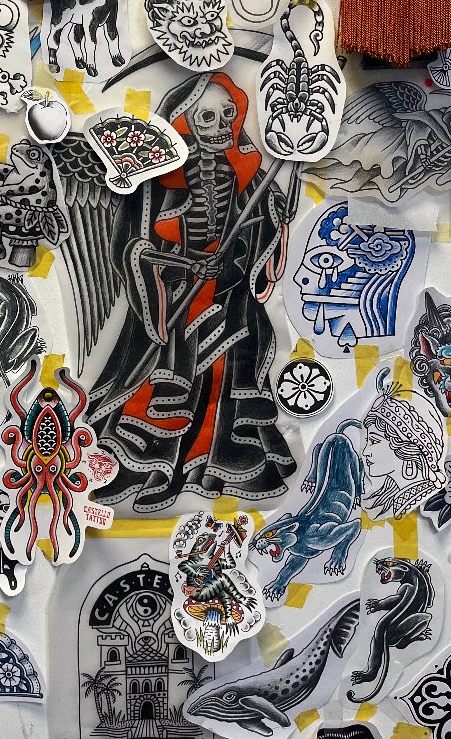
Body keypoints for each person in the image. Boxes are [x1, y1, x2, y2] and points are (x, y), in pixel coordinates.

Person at [88, 71, 298, 511]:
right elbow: (134, 247)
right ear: (184, 122)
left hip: (230, 297)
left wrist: (272, 217)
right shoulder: (153, 181)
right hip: (174, 300)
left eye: (229, 114)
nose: (222, 126)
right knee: (160, 385)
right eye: (207, 117)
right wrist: (187, 263)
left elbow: (266, 230)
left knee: (226, 379)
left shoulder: (250, 175)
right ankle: (150, 470)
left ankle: (211, 470)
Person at [362, 369, 444, 518]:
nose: (365, 452)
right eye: (367, 441)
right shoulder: (391, 499)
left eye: (374, 441)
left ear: (406, 446)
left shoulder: (423, 499)